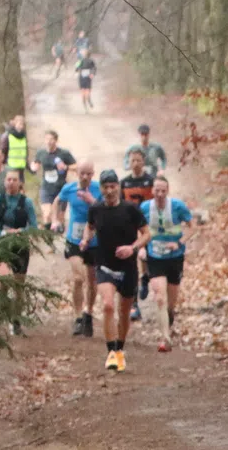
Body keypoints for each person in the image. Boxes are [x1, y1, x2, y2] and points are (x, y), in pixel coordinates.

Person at [83, 169, 149, 372]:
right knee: (108, 305)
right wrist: (86, 239)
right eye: (106, 187)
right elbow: (90, 226)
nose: (110, 191)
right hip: (104, 264)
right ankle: (111, 351)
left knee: (124, 312)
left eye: (113, 186)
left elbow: (147, 234)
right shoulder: (96, 209)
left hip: (128, 267)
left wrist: (133, 248)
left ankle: (120, 348)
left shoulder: (131, 209)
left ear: (118, 187)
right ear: (101, 188)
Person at [140, 175, 193, 353]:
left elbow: (192, 227)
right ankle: (165, 338)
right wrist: (140, 247)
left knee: (170, 302)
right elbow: (137, 229)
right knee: (160, 297)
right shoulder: (145, 207)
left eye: (163, 191)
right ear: (152, 191)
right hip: (154, 256)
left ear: (167, 191)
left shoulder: (178, 206)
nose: (160, 194)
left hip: (175, 257)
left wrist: (179, 242)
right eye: (157, 190)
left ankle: (169, 316)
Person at [0, 171, 39, 336]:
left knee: (18, 286)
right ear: (4, 182)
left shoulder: (27, 202)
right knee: (3, 281)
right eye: (8, 179)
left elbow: (34, 226)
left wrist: (20, 231)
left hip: (20, 248)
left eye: (15, 180)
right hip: (1, 246)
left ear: (19, 183)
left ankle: (16, 321)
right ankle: (2, 310)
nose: (11, 182)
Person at [54, 160, 102, 337]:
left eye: (89, 174)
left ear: (93, 174)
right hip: (74, 240)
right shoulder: (69, 189)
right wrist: (56, 220)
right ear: (77, 173)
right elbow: (58, 201)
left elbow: (106, 210)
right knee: (78, 278)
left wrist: (93, 201)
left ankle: (88, 313)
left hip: (94, 242)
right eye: (82, 173)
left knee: (92, 280)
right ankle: (77, 317)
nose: (85, 177)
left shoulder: (99, 189)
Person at [119, 149, 157, 321]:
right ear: (129, 162)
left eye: (138, 160)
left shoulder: (150, 181)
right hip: (130, 226)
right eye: (132, 160)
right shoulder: (124, 183)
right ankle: (134, 304)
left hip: (147, 224)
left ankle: (146, 277)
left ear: (143, 162)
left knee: (147, 257)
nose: (135, 163)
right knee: (130, 262)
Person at [35, 130, 77, 227]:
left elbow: (76, 166)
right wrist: (33, 166)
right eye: (47, 139)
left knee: (60, 219)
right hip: (46, 188)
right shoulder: (41, 153)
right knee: (47, 215)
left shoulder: (64, 153)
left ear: (56, 140)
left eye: (51, 139)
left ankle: (59, 237)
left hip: (61, 188)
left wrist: (66, 167)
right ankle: (48, 238)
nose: (49, 141)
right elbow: (35, 163)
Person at [0, 114, 31, 178]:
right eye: (19, 124)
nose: (21, 126)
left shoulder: (24, 136)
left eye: (22, 124)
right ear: (15, 124)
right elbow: (3, 151)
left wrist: (28, 166)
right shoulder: (7, 135)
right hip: (10, 166)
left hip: (21, 167)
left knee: (20, 185)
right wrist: (2, 164)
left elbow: (25, 152)